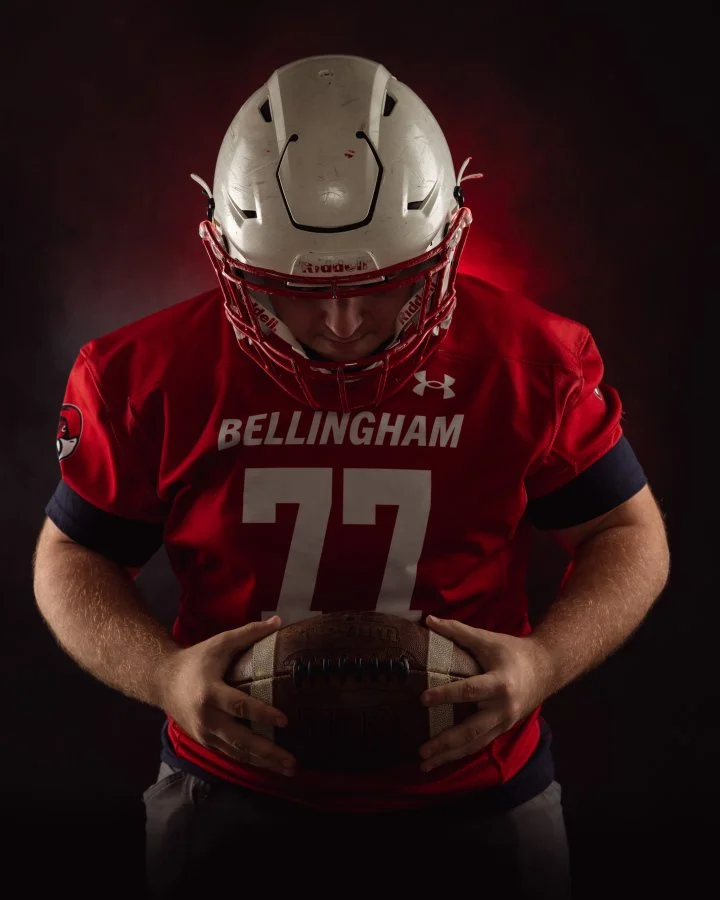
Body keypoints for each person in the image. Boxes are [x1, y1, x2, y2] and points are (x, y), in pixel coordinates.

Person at [33, 54, 670, 898]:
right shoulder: (145, 373)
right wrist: (164, 676)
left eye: (385, 285)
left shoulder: (529, 360)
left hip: (480, 794)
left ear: (445, 242)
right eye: (290, 289)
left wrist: (544, 662)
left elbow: (628, 534)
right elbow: (71, 558)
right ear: (225, 253)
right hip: (229, 791)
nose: (340, 323)